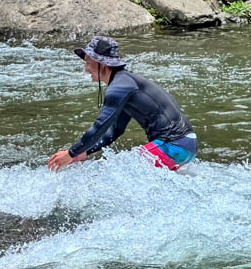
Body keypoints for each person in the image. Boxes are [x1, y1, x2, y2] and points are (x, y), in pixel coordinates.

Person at [48, 36, 198, 172]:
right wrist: (85, 151)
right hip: (186, 145)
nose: (86, 69)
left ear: (102, 64)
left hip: (172, 145)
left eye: (88, 62)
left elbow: (101, 125)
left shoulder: (119, 88)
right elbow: (114, 131)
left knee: (118, 174)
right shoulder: (125, 84)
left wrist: (71, 152)